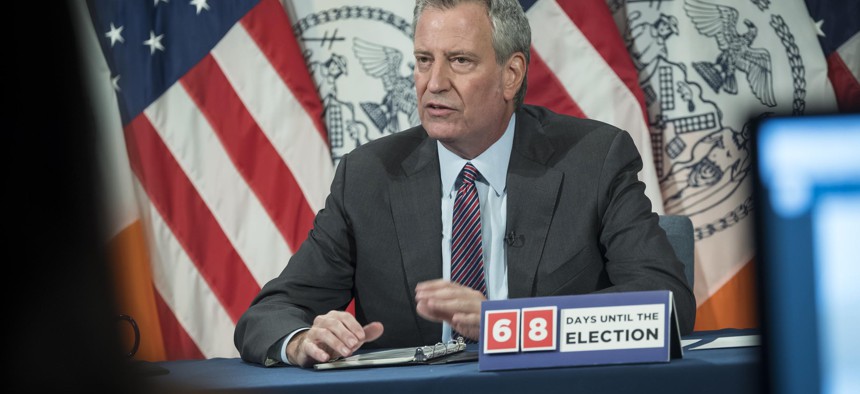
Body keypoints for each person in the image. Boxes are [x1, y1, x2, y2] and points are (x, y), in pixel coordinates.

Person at [234, 0, 696, 368]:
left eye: (459, 61)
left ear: (510, 75)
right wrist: (302, 341)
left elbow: (666, 303)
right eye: (423, 60)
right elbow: (270, 312)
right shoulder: (369, 175)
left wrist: (509, 326)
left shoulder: (593, 160)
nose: (434, 83)